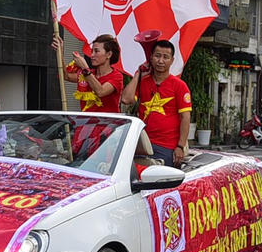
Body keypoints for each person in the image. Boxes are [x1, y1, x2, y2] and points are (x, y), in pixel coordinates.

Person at [119, 39, 191, 167]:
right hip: (141, 144)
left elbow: (185, 117)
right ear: (151, 58)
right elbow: (126, 99)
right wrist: (138, 75)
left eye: (165, 57)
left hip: (167, 147)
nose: (161, 61)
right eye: (157, 56)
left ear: (172, 60)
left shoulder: (180, 86)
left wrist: (180, 146)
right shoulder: (143, 81)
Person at [53, 34, 125, 113]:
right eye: (92, 51)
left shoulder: (117, 76)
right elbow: (65, 76)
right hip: (86, 123)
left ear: (109, 54)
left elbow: (100, 91)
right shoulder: (89, 73)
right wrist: (60, 53)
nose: (92, 55)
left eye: (96, 51)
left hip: (107, 124)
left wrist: (85, 68)